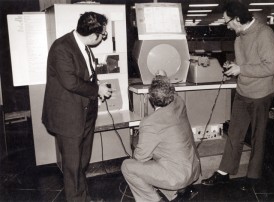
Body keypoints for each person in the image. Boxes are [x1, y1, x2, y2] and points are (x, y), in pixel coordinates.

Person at [201, 1, 274, 191]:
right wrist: (233, 65)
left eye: (228, 21)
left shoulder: (264, 34)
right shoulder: (239, 38)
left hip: (261, 93)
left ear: (237, 18)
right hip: (243, 91)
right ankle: (224, 172)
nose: (227, 26)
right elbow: (248, 60)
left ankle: (253, 179)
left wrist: (241, 69)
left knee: (257, 137)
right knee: (234, 133)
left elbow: (271, 66)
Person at [42, 12, 112, 202]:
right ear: (93, 35)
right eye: (103, 34)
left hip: (85, 113)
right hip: (68, 117)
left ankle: (83, 197)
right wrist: (97, 89)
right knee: (72, 168)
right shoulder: (62, 48)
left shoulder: (83, 46)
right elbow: (71, 82)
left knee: (82, 162)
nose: (103, 37)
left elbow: (85, 75)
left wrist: (96, 88)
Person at [121, 73, 200, 202]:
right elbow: (174, 94)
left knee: (127, 166)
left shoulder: (150, 123)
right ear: (170, 92)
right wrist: (162, 78)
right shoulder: (179, 103)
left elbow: (141, 157)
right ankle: (177, 194)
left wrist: (138, 144)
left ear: (149, 98)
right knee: (161, 153)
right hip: (193, 169)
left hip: (178, 176)